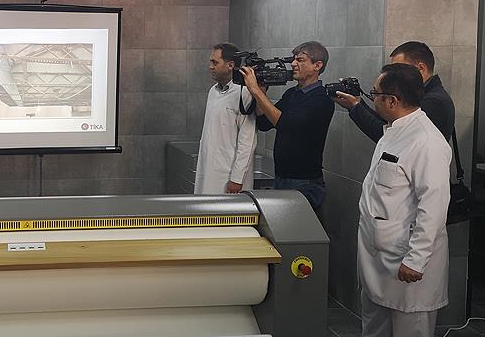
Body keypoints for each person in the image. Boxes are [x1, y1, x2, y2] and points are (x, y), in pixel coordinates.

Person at [328, 63, 451, 337]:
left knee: (412, 329)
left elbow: (433, 206)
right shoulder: (393, 131)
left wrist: (417, 258)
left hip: (406, 254)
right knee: (375, 316)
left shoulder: (427, 141)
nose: (372, 99)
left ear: (392, 100)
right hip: (379, 250)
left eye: (375, 94)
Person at [242, 41, 335, 211]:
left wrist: (255, 90)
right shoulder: (292, 93)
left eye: (300, 60)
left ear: (317, 65)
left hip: (305, 183)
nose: (293, 64)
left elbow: (285, 124)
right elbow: (264, 123)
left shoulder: (321, 99)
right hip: (282, 177)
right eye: (293, 59)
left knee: (300, 228)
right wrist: (261, 91)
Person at [334, 41, 455, 142]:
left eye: (399, 69)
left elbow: (389, 135)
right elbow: (388, 124)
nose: (393, 75)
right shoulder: (425, 95)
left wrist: (355, 106)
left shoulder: (434, 102)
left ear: (421, 69)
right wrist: (356, 103)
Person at [194, 43, 257, 194]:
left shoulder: (244, 93)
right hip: (208, 169)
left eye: (215, 62)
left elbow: (247, 141)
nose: (210, 67)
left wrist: (237, 179)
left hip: (229, 176)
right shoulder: (213, 91)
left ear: (230, 65)